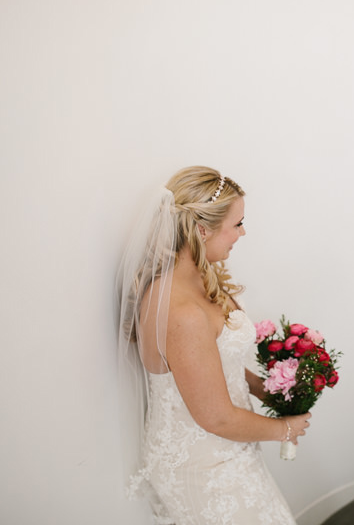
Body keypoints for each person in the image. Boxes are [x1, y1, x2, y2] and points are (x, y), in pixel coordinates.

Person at [117, 166, 311, 524]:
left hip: (228, 447)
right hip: (205, 464)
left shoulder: (196, 276)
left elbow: (218, 361)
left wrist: (267, 391)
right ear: (202, 229)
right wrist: (287, 428)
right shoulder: (182, 312)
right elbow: (216, 418)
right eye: (236, 224)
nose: (243, 232)